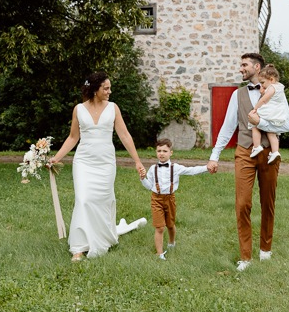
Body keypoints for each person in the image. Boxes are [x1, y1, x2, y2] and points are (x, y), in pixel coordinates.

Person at [49, 72, 146, 262]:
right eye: (106, 88)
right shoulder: (78, 109)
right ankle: (78, 247)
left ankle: (101, 238)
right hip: (84, 162)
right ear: (95, 90)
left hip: (106, 163)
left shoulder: (113, 108)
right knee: (83, 199)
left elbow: (125, 136)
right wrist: (56, 158)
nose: (110, 91)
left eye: (109, 88)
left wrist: (137, 161)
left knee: (102, 199)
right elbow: (73, 137)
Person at [207, 53, 280, 272]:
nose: (241, 68)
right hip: (244, 152)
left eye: (244, 65)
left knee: (268, 202)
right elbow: (228, 127)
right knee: (242, 204)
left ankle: (265, 248)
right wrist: (214, 155)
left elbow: (285, 123)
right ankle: (245, 256)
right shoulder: (237, 95)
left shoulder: (276, 92)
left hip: (268, 153)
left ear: (257, 67)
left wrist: (263, 122)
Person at [140, 138, 209, 260]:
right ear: (156, 152)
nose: (161, 153)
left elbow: (191, 171)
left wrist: (207, 167)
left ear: (171, 152)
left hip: (170, 198)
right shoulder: (152, 169)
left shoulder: (175, 167)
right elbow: (149, 186)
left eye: (165, 151)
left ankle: (172, 242)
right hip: (156, 199)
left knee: (170, 225)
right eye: (159, 151)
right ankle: (159, 253)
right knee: (159, 227)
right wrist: (142, 178)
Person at [248, 64, 289, 163]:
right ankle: (275, 151)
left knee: (254, 124)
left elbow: (264, 100)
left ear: (271, 79)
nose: (262, 85)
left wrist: (255, 108)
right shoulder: (279, 87)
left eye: (263, 83)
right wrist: (263, 90)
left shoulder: (272, 87)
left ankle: (257, 146)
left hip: (269, 111)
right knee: (271, 131)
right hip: (277, 113)